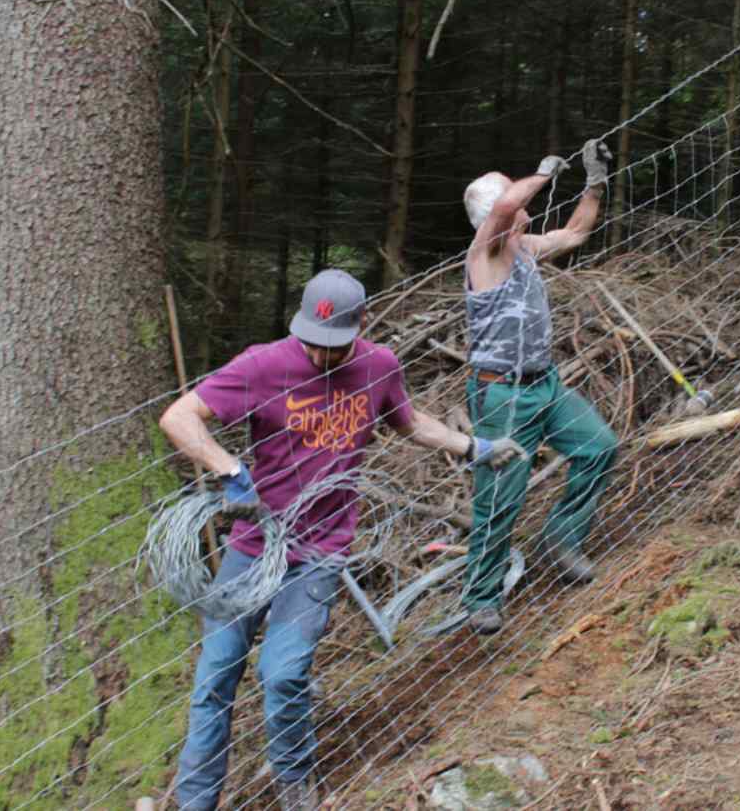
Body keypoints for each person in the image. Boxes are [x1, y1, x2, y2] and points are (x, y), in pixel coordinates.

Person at [161, 269, 523, 810]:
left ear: (361, 327)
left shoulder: (378, 367)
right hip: (253, 549)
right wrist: (229, 468)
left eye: (333, 345)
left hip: (319, 554)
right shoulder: (264, 365)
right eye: (312, 340)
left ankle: (294, 786)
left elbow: (410, 422)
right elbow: (179, 416)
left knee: (283, 676)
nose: (320, 353)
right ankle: (195, 805)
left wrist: (472, 447)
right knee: (215, 679)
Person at [458, 141, 620, 636]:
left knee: (598, 448)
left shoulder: (525, 250)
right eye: (511, 197)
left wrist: (595, 182)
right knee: (500, 499)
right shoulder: (484, 252)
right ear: (495, 212)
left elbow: (575, 232)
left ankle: (562, 537)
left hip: (543, 385)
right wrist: (544, 171)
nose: (521, 202)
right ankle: (481, 597)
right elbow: (507, 205)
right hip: (501, 395)